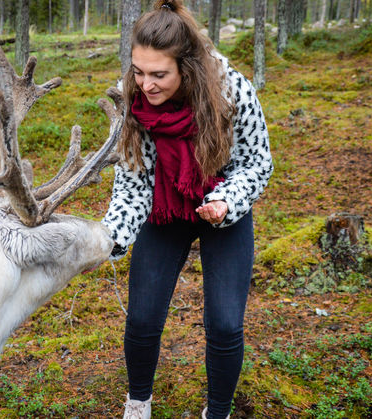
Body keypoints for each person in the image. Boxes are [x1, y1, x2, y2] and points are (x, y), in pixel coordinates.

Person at [101, 0, 273, 418]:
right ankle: (138, 402)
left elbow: (258, 162)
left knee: (225, 325)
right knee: (141, 317)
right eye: (139, 72)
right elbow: (134, 178)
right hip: (165, 209)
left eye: (159, 74)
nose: (146, 85)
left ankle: (218, 412)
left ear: (187, 67)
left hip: (221, 207)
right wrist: (111, 235)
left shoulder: (232, 91)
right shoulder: (136, 102)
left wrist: (226, 201)